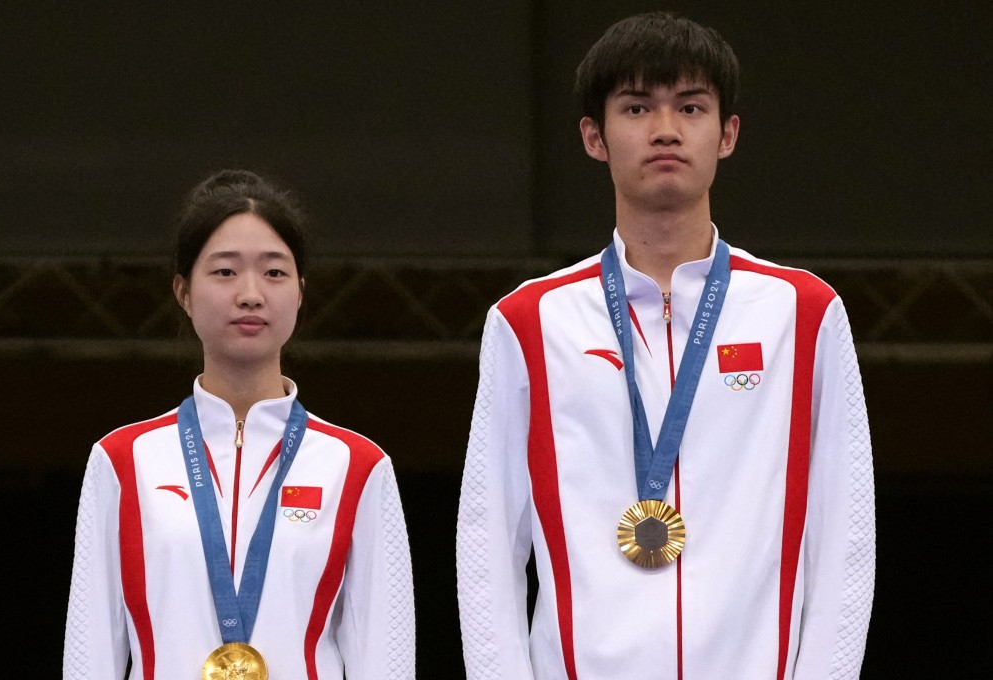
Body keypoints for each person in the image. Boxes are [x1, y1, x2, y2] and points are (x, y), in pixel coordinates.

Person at [456, 12, 874, 680]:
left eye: (690, 107)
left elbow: (846, 532)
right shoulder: (530, 321)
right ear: (593, 137)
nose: (665, 129)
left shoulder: (802, 313)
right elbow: (487, 538)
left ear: (727, 133)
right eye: (636, 107)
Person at [63, 170, 415, 680]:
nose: (251, 294)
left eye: (274, 272)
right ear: (183, 292)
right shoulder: (122, 461)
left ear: (300, 293)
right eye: (225, 271)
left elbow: (385, 660)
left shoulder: (358, 466)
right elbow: (89, 654)